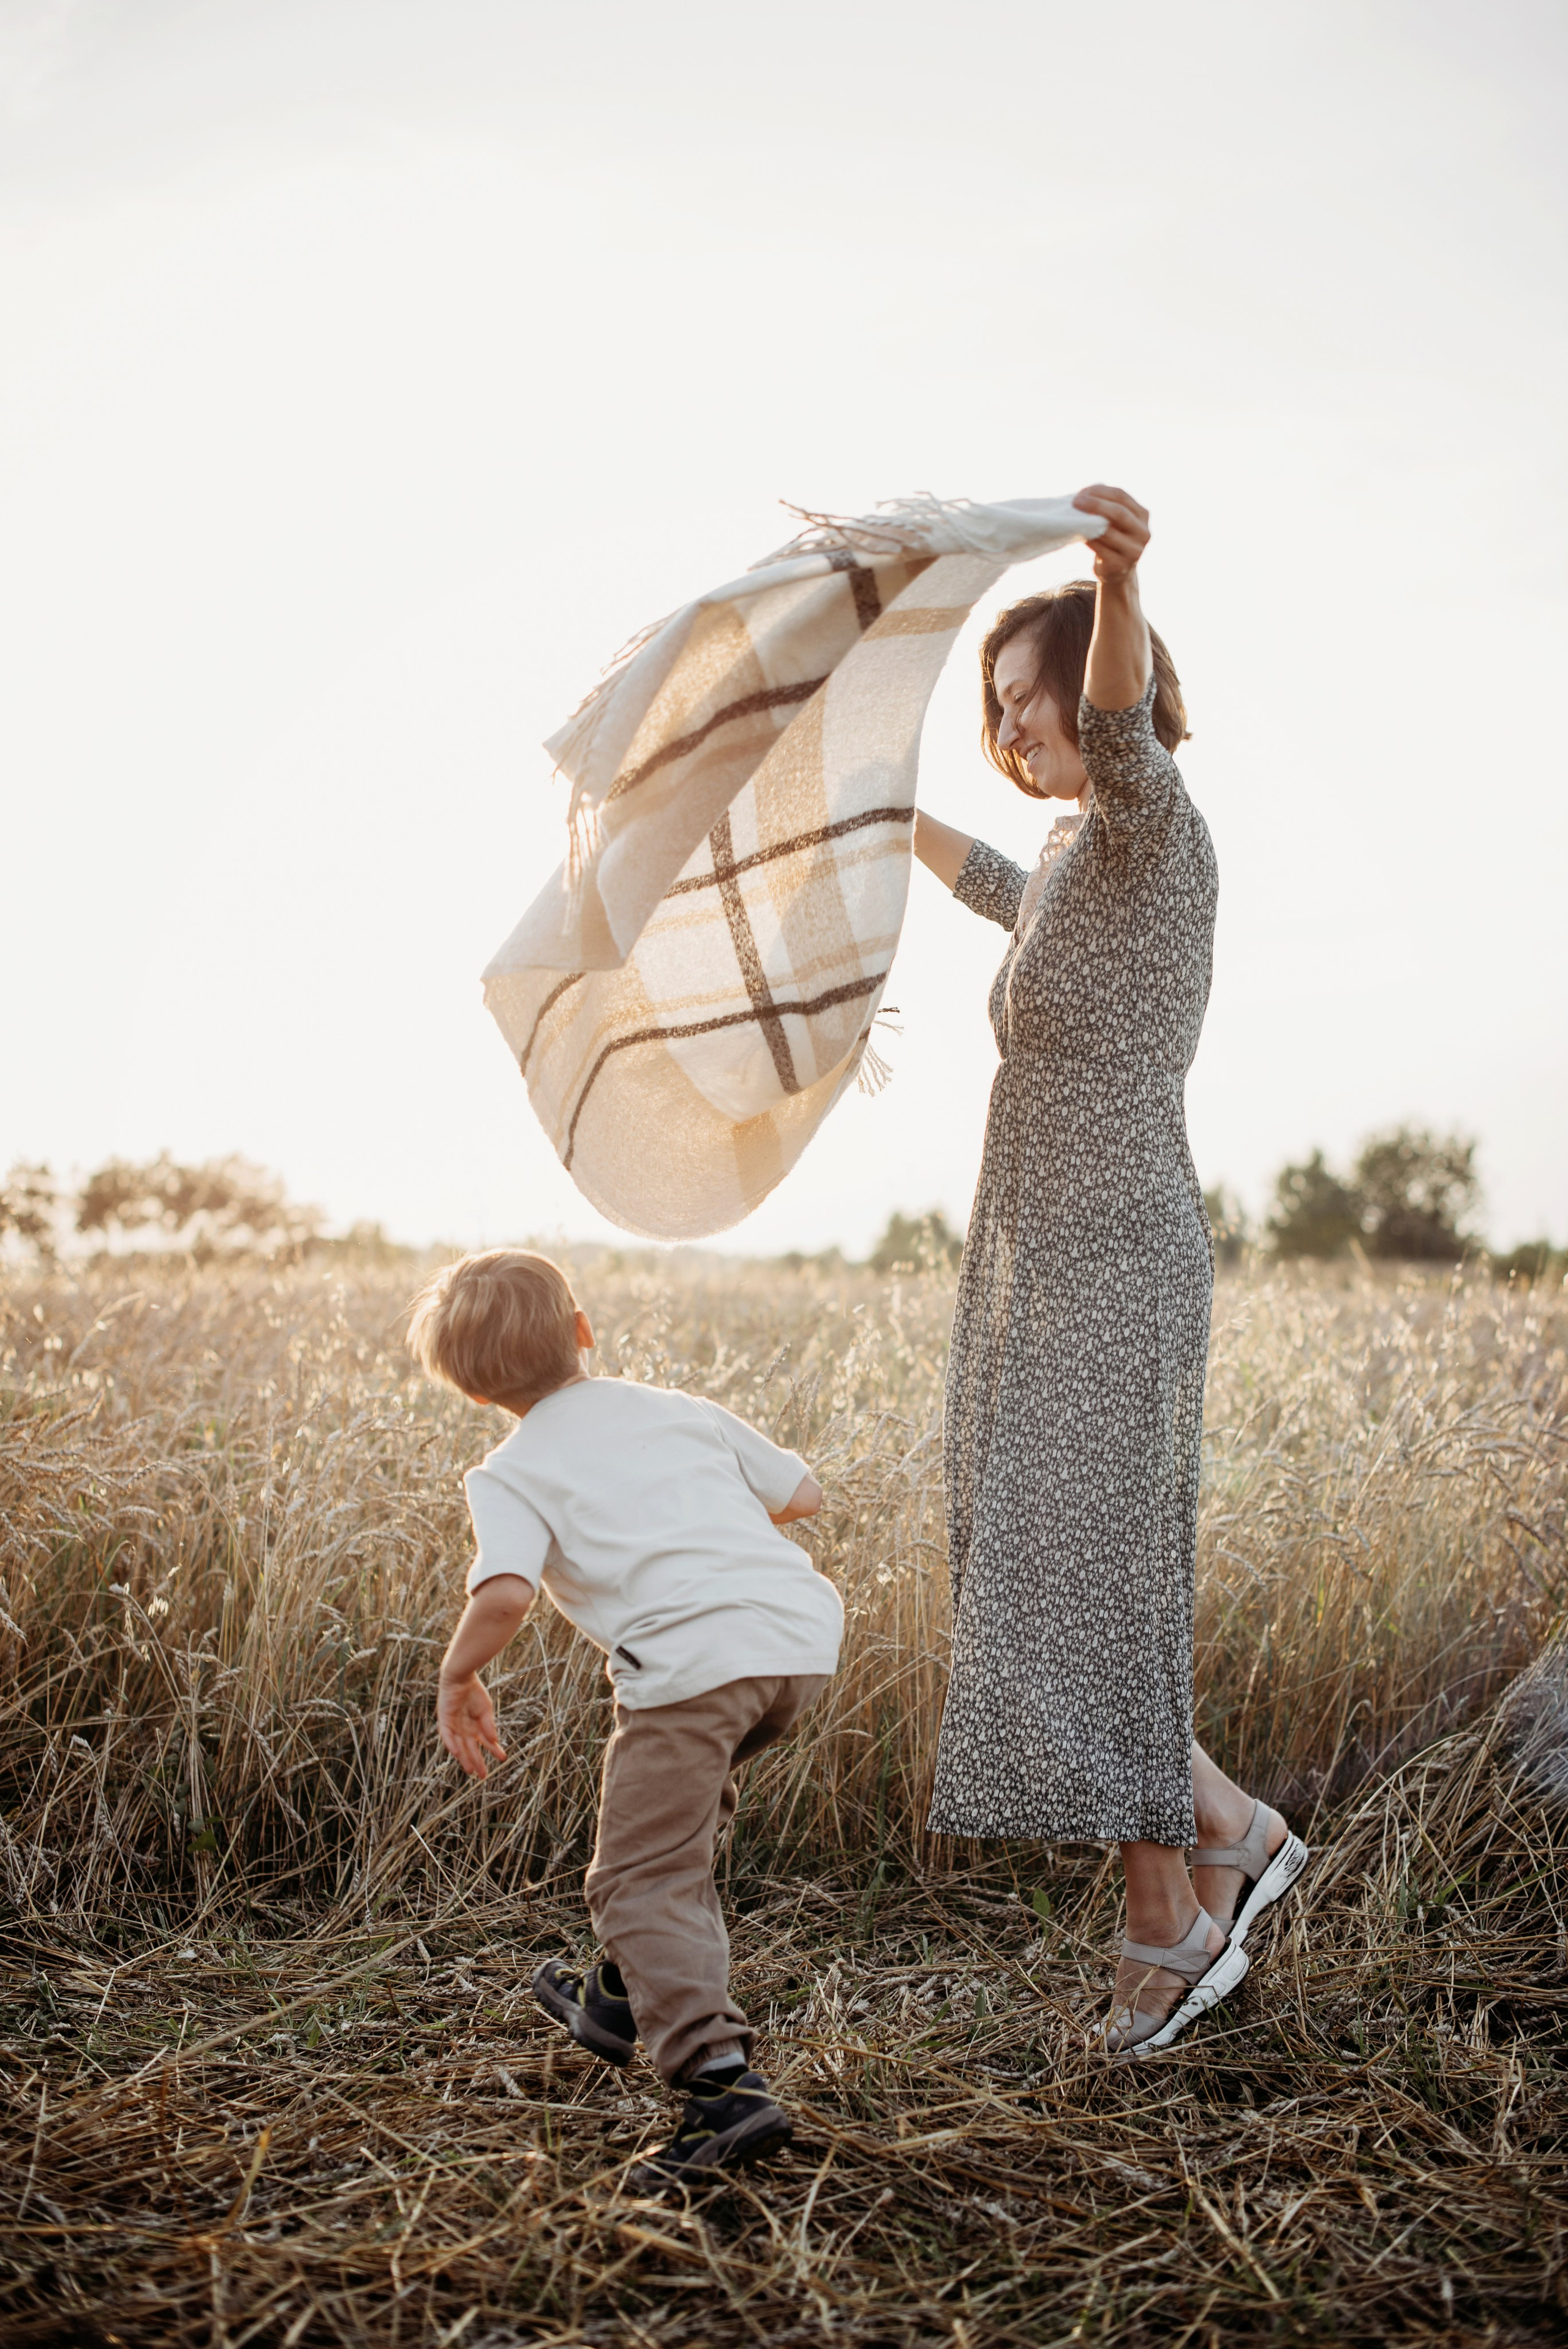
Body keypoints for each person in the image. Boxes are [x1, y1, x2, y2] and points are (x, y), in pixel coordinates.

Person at [913, 487, 1307, 2052]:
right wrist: (878, 815)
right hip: (1041, 1249)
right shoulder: (1074, 858)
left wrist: (1114, 579)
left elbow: (1120, 722)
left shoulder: (1149, 817)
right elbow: (995, 895)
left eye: (1034, 700)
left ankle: (1172, 1917)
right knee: (1038, 1570)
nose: (1017, 734)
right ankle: (1229, 1824)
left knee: (1086, 1575)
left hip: (1111, 1248)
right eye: (997, 715)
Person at [406, 1248, 839, 2178]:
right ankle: (614, 1998)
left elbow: (507, 1594)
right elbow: (802, 1495)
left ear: (475, 1393)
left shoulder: (510, 1470)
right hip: (797, 1649)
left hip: (690, 1672)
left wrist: (457, 1679)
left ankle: (719, 2088)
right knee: (675, 1831)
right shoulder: (679, 1410)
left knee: (636, 1879)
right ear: (583, 1331)